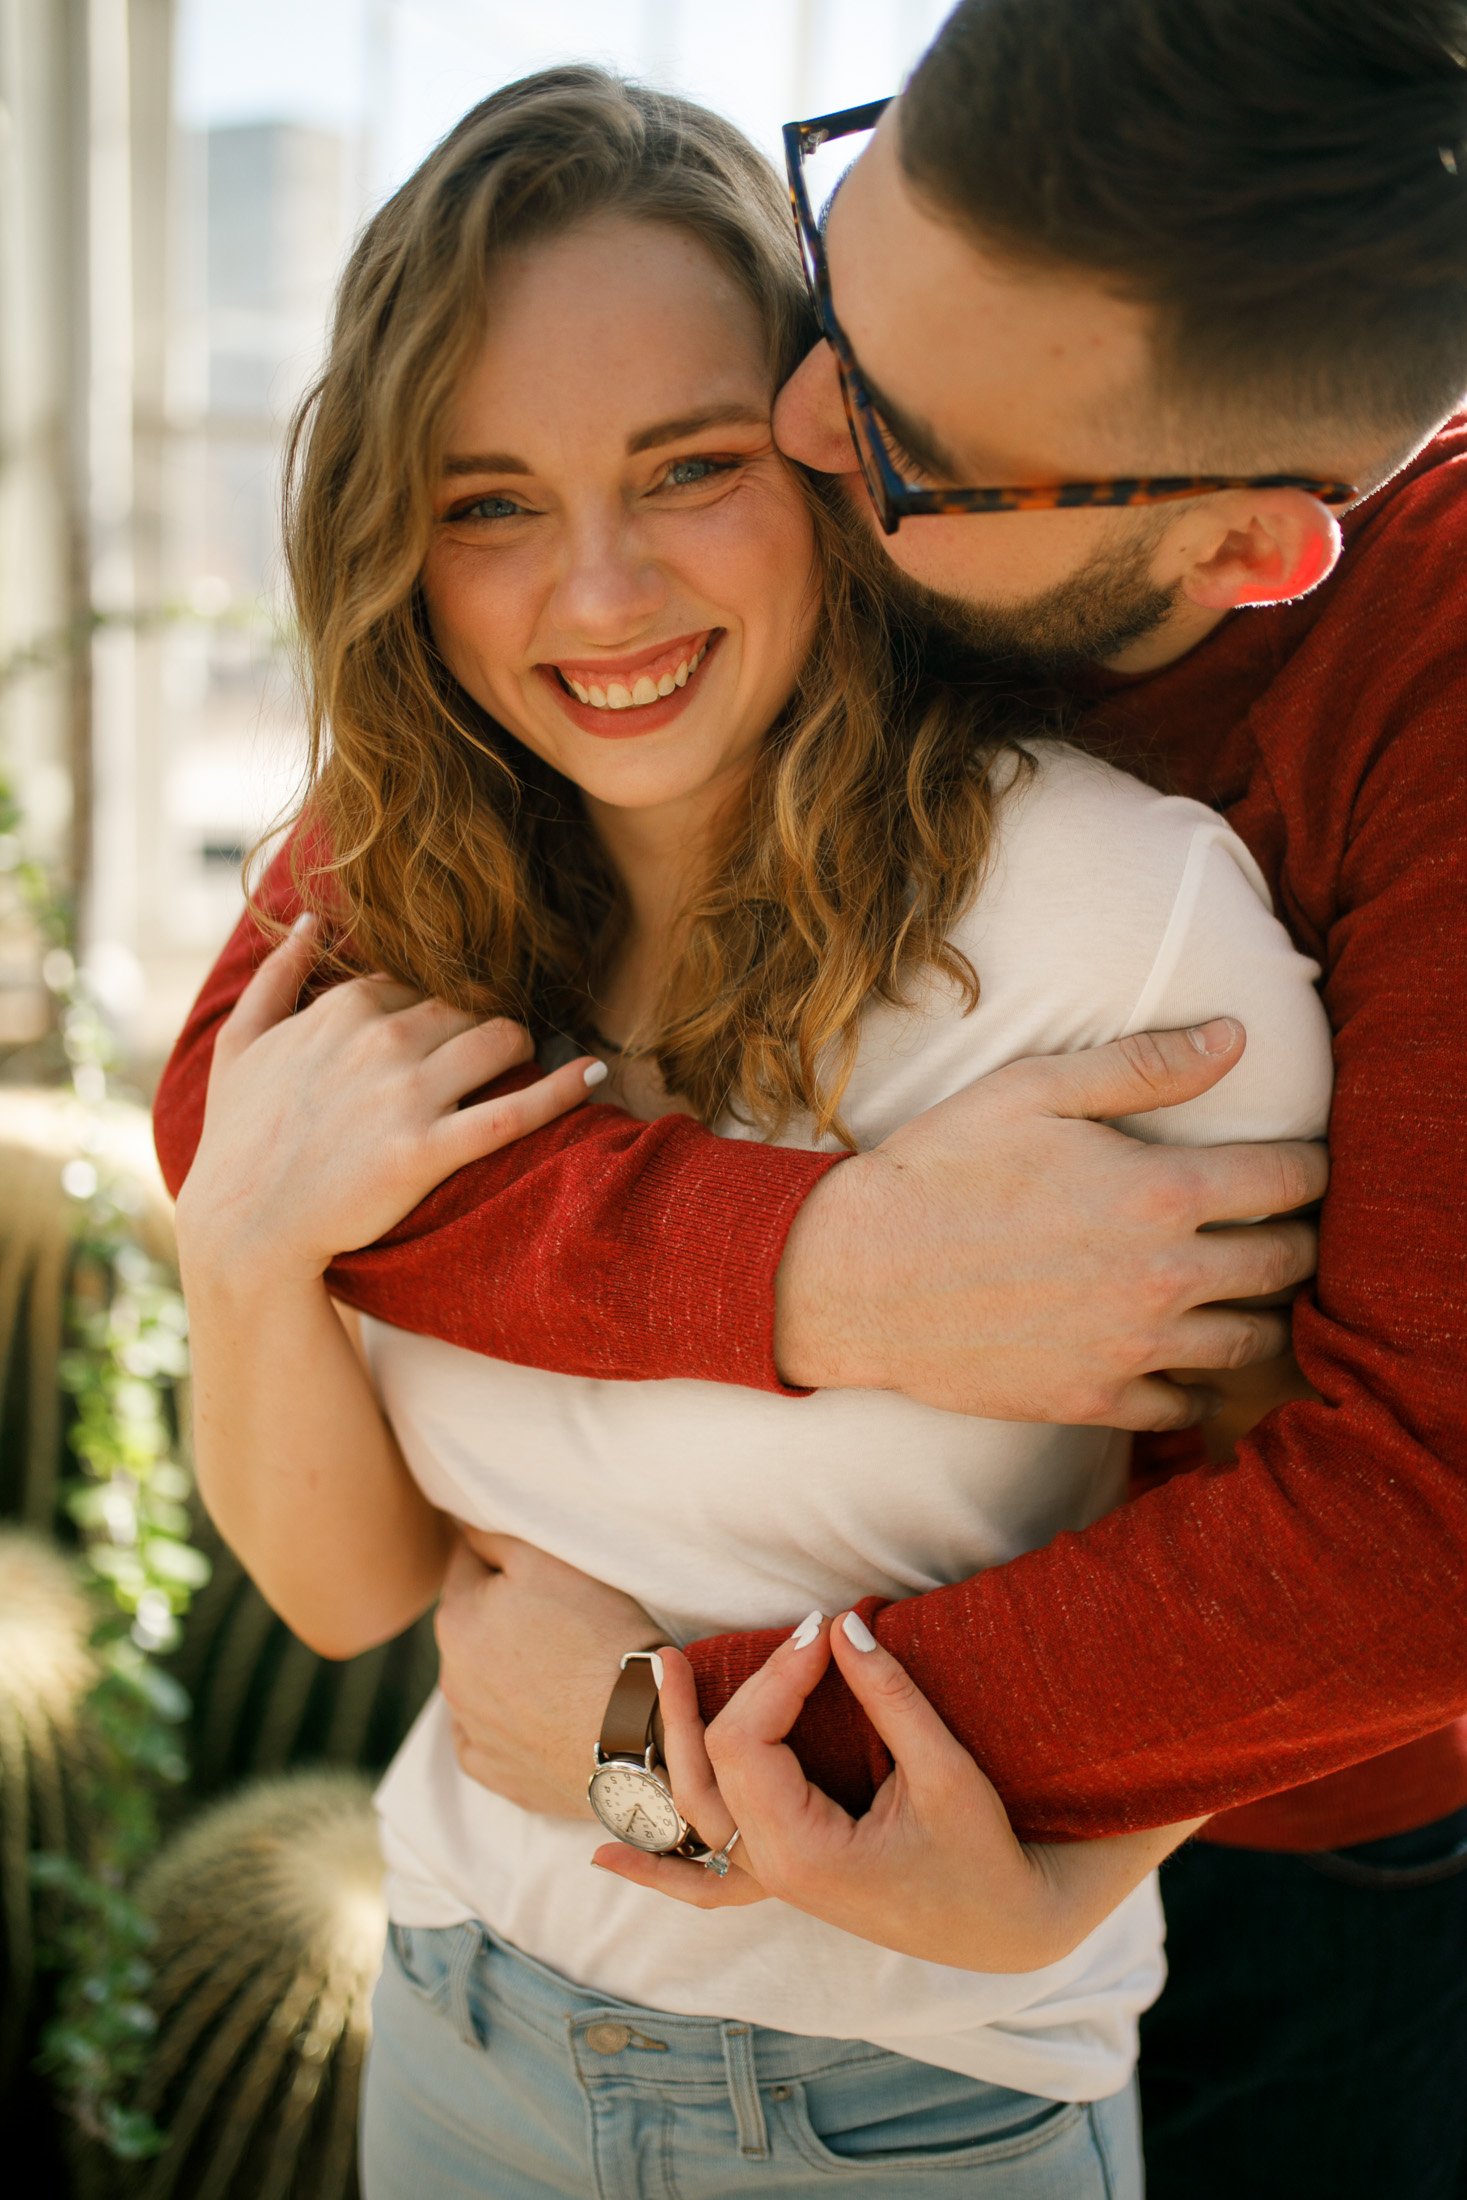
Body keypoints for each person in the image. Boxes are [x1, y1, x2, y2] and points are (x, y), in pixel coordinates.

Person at [151, 3, 1467, 2193]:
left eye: (893, 438)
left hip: (1304, 1861)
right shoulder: (771, 538)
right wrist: (797, 1266)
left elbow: (1401, 1533)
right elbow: (240, 1086)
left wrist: (646, 1738)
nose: (796, 424)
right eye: (829, 287)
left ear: (1241, 549)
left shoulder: (1289, 774)